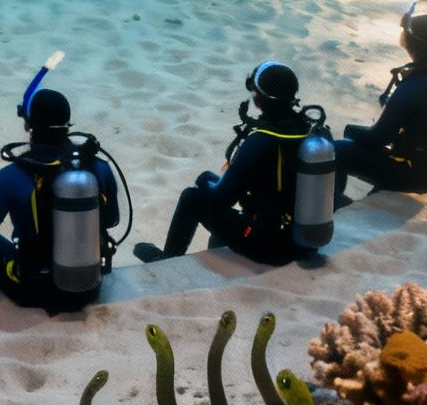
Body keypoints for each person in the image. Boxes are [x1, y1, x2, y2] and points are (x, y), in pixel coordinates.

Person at [0, 89, 120, 312]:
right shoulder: (98, 168)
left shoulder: (11, 176)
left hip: (33, 291)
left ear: (30, 126)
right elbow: (111, 219)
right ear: (67, 123)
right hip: (89, 288)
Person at [134, 61, 321, 266]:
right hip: (303, 240)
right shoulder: (312, 131)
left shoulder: (261, 141)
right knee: (211, 182)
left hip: (268, 246)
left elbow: (222, 198)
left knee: (192, 197)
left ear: (259, 99)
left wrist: (205, 182)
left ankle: (166, 261)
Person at [333, 13, 427, 195]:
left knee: (335, 150)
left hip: (416, 174)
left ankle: (335, 204)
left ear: (413, 42)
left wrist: (351, 130)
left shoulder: (415, 83)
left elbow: (379, 138)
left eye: (406, 32)